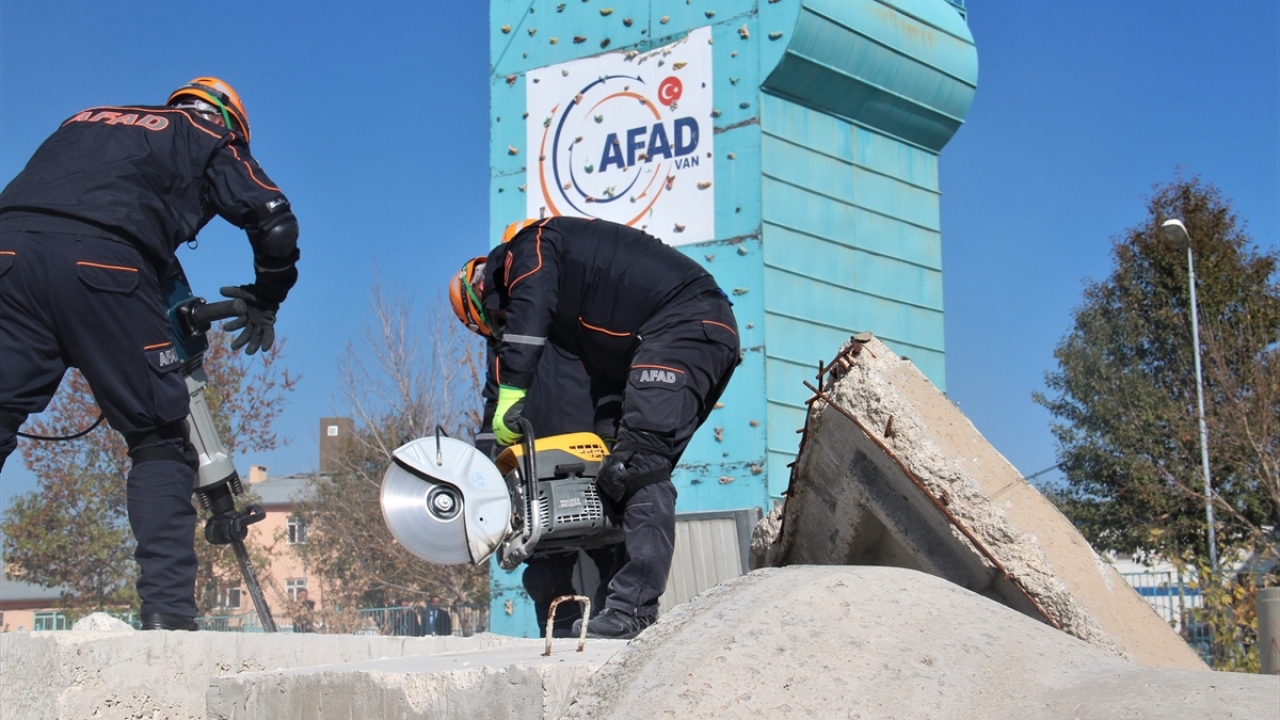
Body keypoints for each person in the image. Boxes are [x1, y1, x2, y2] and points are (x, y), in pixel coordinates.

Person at [0, 78, 300, 631]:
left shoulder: (85, 117)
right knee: (159, 437)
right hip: (104, 262)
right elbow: (275, 222)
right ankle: (168, 618)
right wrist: (266, 297)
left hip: (7, 254)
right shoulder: (208, 132)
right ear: (230, 121)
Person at [450, 217, 739, 639]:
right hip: (695, 331)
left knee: (641, 465)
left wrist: (511, 393)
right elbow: (609, 382)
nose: (504, 323)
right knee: (626, 469)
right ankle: (620, 613)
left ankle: (632, 611)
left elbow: (531, 307)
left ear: (481, 288)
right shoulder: (589, 313)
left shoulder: (531, 246)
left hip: (683, 326)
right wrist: (608, 444)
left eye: (498, 316)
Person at [476, 341, 624, 638]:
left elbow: (610, 376)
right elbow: (494, 403)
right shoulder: (501, 344)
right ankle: (562, 648)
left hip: (591, 454)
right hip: (533, 466)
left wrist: (613, 436)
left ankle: (620, 635)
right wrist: (481, 469)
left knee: (618, 561)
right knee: (542, 579)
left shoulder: (577, 307)